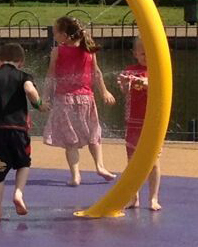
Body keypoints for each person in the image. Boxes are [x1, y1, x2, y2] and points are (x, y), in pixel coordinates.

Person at [44, 16, 117, 186]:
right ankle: (100, 166)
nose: (54, 36)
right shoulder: (88, 49)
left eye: (55, 33)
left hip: (64, 100)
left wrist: (46, 96)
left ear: (64, 35)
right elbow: (97, 73)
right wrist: (104, 91)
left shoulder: (58, 51)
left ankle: (75, 175)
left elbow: (50, 75)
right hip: (86, 99)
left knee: (71, 140)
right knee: (94, 134)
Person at [0, 42, 42, 221]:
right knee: (24, 162)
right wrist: (38, 104)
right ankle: (18, 193)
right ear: (21, 62)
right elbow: (30, 90)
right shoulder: (24, 76)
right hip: (18, 128)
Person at [119, 37, 161, 211]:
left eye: (149, 53)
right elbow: (125, 92)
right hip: (133, 121)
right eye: (143, 53)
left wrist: (146, 83)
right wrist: (123, 83)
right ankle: (133, 197)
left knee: (154, 161)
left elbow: (160, 89)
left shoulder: (159, 71)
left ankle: (153, 198)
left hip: (152, 122)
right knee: (132, 161)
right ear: (135, 54)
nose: (146, 56)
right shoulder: (130, 70)